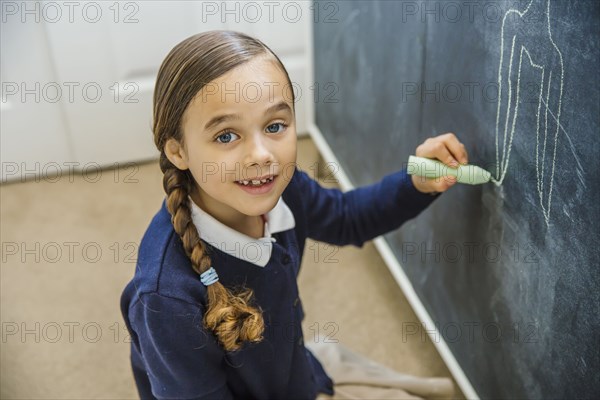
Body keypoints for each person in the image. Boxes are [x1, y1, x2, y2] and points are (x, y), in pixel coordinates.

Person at [120, 30, 467, 400]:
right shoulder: (164, 299)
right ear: (178, 151)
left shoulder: (283, 189)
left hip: (290, 368)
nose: (261, 155)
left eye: (274, 126)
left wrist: (416, 183)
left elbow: (348, 218)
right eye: (225, 136)